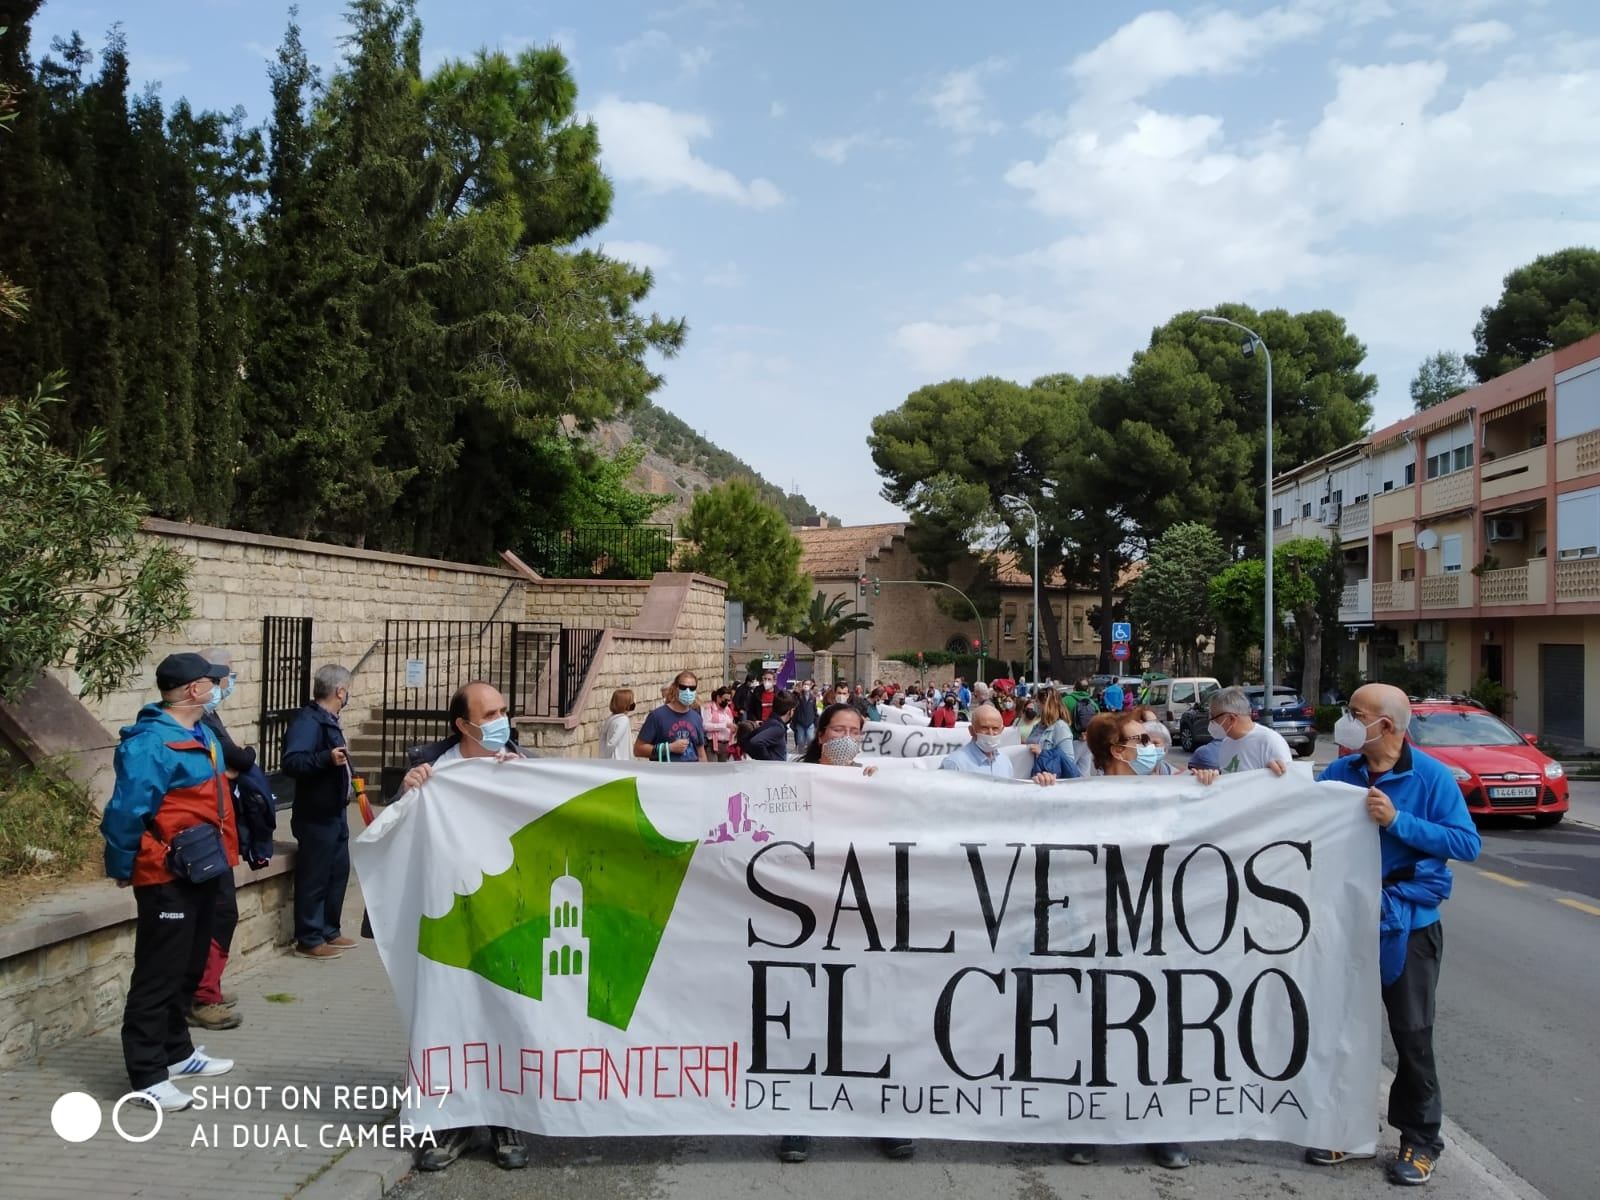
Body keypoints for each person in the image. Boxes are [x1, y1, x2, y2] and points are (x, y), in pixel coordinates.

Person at [1308, 684, 1481, 1186]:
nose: (1345, 720)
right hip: (1347, 922)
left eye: (1355, 713)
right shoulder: (1342, 772)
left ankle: (1419, 1140)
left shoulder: (1428, 777)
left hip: (1409, 928)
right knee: (1341, 1030)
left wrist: (1398, 821)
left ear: (1385, 726)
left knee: (1412, 1035)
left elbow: (1466, 843)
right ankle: (1345, 1126)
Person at [391, 681, 532, 1173]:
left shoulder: (523, 767)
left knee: (505, 1015)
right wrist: (406, 795)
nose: (500, 720)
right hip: (445, 923)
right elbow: (391, 839)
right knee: (449, 1019)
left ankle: (504, 1117)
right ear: (462, 724)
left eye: (503, 710)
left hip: (507, 921)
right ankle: (449, 1120)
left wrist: (528, 783)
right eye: (489, 713)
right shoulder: (432, 773)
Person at [100, 652, 239, 1112]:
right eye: (213, 682)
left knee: (189, 964)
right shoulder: (151, 743)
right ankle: (146, 1073)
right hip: (166, 873)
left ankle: (177, 1053)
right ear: (193, 690)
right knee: (158, 972)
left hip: (204, 867)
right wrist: (123, 865)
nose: (221, 687)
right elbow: (126, 811)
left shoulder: (200, 733)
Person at [780, 702, 907, 1166]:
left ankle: (883, 1115)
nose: (846, 736)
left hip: (861, 919)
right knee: (807, 1019)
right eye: (838, 728)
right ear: (820, 733)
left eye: (855, 730)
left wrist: (877, 796)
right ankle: (799, 1119)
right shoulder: (793, 782)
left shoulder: (873, 779)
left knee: (869, 1018)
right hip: (805, 920)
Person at [282, 664, 358, 961]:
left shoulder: (328, 720)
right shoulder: (308, 721)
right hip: (316, 813)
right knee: (315, 875)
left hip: (334, 811)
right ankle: (309, 938)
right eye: (346, 690)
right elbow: (293, 762)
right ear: (340, 691)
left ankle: (329, 929)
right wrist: (325, 758)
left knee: (337, 871)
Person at [189, 650, 244, 1031]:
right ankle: (200, 997)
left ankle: (207, 990)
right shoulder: (174, 730)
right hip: (196, 844)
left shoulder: (205, 724)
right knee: (214, 916)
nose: (223, 687)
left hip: (217, 838)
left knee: (222, 914)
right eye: (219, 680)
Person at [940, 704, 1056, 784]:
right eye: (984, 728)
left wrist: (1040, 784)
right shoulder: (955, 764)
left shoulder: (1005, 762)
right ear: (972, 730)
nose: (990, 733)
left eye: (995, 728)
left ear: (1001, 730)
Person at [1206, 686, 1291, 776]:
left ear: (1231, 718)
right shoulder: (1226, 743)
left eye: (1214, 718)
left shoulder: (1270, 742)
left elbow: (1288, 781)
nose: (1211, 723)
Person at [633, 670, 706, 762]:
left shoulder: (696, 718)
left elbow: (701, 754)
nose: (688, 691)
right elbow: (638, 749)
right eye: (683, 687)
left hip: (691, 774)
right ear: (675, 688)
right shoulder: (657, 716)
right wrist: (669, 748)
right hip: (665, 774)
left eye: (692, 688)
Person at [740, 691, 796, 760]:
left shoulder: (772, 722)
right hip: (774, 768)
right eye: (793, 710)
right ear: (789, 711)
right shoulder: (778, 728)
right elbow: (756, 742)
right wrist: (768, 761)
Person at [600, 688, 635, 760]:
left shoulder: (612, 718)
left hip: (612, 759)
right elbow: (612, 742)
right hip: (619, 759)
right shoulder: (623, 720)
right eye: (631, 701)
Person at [704, 687, 737, 762]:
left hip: (726, 745)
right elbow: (705, 726)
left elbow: (730, 723)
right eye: (725, 700)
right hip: (713, 745)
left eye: (729, 700)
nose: (727, 702)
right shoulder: (710, 708)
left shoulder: (727, 709)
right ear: (718, 697)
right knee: (713, 770)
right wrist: (724, 725)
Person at [791, 681, 818, 751]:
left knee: (810, 739)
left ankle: (809, 754)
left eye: (808, 684)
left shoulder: (813, 697)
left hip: (810, 722)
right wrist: (796, 691)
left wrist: (816, 721)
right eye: (805, 684)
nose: (806, 686)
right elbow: (793, 701)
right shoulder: (798, 696)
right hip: (800, 722)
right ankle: (800, 754)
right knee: (800, 741)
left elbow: (815, 710)